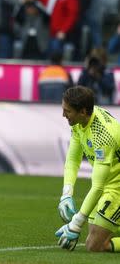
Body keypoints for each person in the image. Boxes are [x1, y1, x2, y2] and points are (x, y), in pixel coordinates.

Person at [55, 86, 120, 252]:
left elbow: (97, 186)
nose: (64, 115)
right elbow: (73, 159)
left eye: (67, 111)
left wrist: (76, 224)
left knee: (95, 245)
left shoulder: (103, 136)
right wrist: (66, 194)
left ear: (83, 111)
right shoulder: (80, 121)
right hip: (108, 182)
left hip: (117, 187)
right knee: (94, 233)